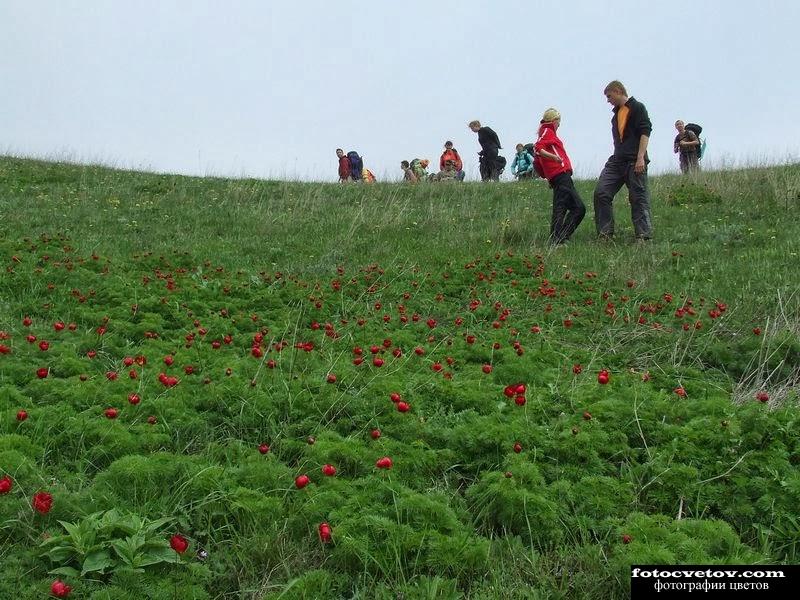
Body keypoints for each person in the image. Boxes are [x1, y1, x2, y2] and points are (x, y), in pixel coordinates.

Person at [592, 80, 653, 241]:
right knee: (601, 193)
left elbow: (645, 132)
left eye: (609, 96)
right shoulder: (615, 116)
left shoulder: (637, 107)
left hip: (635, 160)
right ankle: (605, 234)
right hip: (617, 160)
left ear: (618, 91)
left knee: (638, 197)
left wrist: (640, 158)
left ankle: (643, 236)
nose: (608, 100)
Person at [534, 108, 586, 245]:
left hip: (558, 176)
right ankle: (557, 239)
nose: (559, 125)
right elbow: (538, 148)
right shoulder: (547, 130)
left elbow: (537, 163)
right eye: (559, 121)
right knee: (571, 207)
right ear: (554, 120)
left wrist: (547, 176)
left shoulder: (547, 132)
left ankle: (559, 237)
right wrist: (554, 158)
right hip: (560, 173)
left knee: (572, 207)